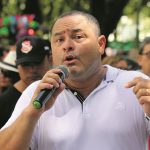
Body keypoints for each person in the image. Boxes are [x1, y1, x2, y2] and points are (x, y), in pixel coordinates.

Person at [0, 10, 150, 150]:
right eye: (59, 40)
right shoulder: (37, 92)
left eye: (78, 37)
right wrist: (32, 112)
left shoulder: (136, 84)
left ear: (101, 44)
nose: (67, 46)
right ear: (52, 51)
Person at [0, 35, 52, 128]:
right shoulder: (4, 103)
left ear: (50, 60)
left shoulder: (60, 92)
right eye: (25, 64)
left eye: (37, 63)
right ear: (18, 66)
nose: (32, 70)